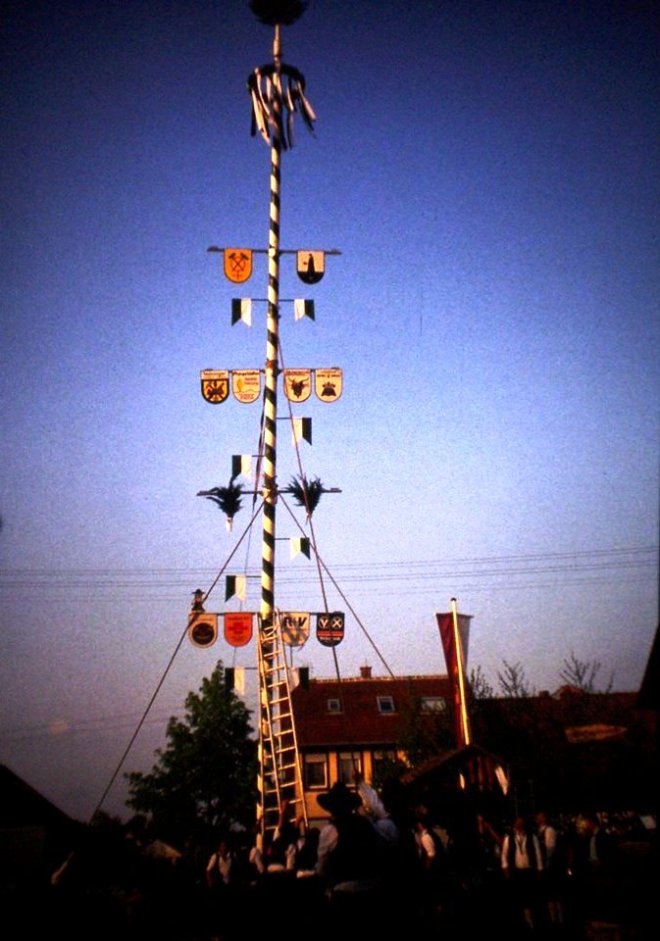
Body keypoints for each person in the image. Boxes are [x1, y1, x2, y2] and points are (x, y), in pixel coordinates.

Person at [501, 815, 544, 932]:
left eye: (521, 823)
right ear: (514, 824)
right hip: (516, 872)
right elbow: (504, 855)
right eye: (517, 823)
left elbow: (538, 853)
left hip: (529, 871)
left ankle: (531, 919)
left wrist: (540, 869)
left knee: (530, 896)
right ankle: (522, 920)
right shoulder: (509, 838)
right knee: (518, 897)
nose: (519, 825)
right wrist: (505, 869)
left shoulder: (532, 837)